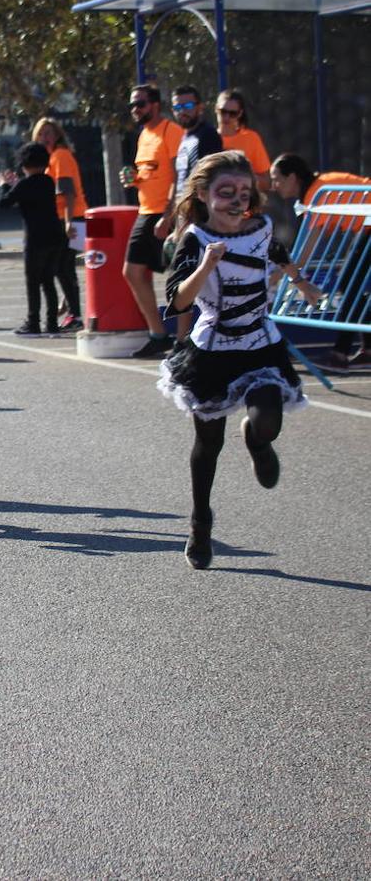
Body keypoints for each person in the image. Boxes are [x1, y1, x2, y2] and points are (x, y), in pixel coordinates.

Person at [156, 151, 321, 569]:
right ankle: (200, 522)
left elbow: (277, 250)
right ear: (204, 195)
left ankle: (257, 442)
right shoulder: (194, 239)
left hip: (259, 342)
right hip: (212, 349)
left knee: (267, 419)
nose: (235, 200)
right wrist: (208, 262)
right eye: (225, 192)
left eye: (243, 192)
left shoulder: (260, 227)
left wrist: (302, 284)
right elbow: (176, 302)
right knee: (208, 444)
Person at [270, 153, 371, 367]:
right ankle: (364, 349)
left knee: (350, 284)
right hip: (367, 228)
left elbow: (307, 249)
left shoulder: (318, 193)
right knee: (351, 284)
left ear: (292, 177)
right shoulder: (315, 193)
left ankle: (341, 352)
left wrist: (281, 273)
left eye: (277, 179)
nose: (273, 186)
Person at [120, 86, 185, 358]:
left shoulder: (172, 131)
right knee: (132, 272)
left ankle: (184, 340)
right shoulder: (144, 135)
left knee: (180, 277)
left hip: (166, 212)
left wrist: (168, 216)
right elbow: (150, 172)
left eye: (141, 104)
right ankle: (158, 334)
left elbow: (178, 176)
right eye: (133, 105)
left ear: (155, 105)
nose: (136, 109)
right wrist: (133, 179)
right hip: (145, 211)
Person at [0, 143, 68, 336]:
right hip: (55, 235)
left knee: (33, 282)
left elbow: (4, 203)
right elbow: (26, 193)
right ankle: (52, 323)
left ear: (24, 163)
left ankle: (33, 322)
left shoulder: (24, 185)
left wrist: (4, 185)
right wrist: (15, 185)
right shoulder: (47, 181)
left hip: (35, 238)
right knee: (48, 281)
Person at [32, 118, 85, 330]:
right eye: (41, 133)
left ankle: (75, 315)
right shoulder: (50, 158)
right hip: (67, 217)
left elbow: (68, 191)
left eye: (49, 133)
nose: (45, 137)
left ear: (58, 136)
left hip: (73, 218)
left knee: (63, 267)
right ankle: (71, 308)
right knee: (65, 267)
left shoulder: (60, 155)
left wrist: (69, 221)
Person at [215, 90, 271, 191]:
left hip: (245, 205)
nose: (227, 117)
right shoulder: (207, 139)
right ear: (216, 109)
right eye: (223, 112)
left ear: (240, 113)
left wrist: (241, 176)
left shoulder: (251, 138)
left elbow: (266, 183)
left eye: (232, 113)